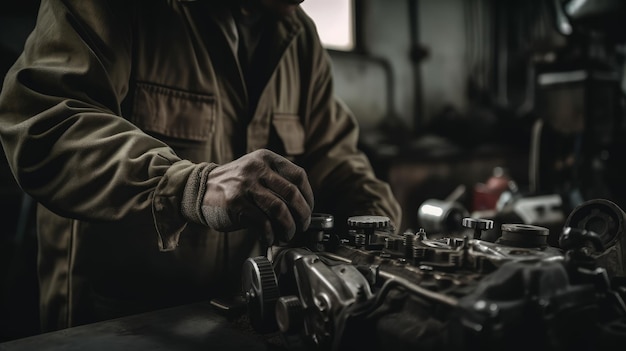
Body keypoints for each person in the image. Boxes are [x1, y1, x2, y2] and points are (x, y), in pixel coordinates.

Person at [0, 0, 402, 332]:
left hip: (242, 317)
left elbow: (335, 157)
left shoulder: (298, 36)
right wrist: (192, 187)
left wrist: (381, 229)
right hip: (119, 322)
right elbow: (45, 124)